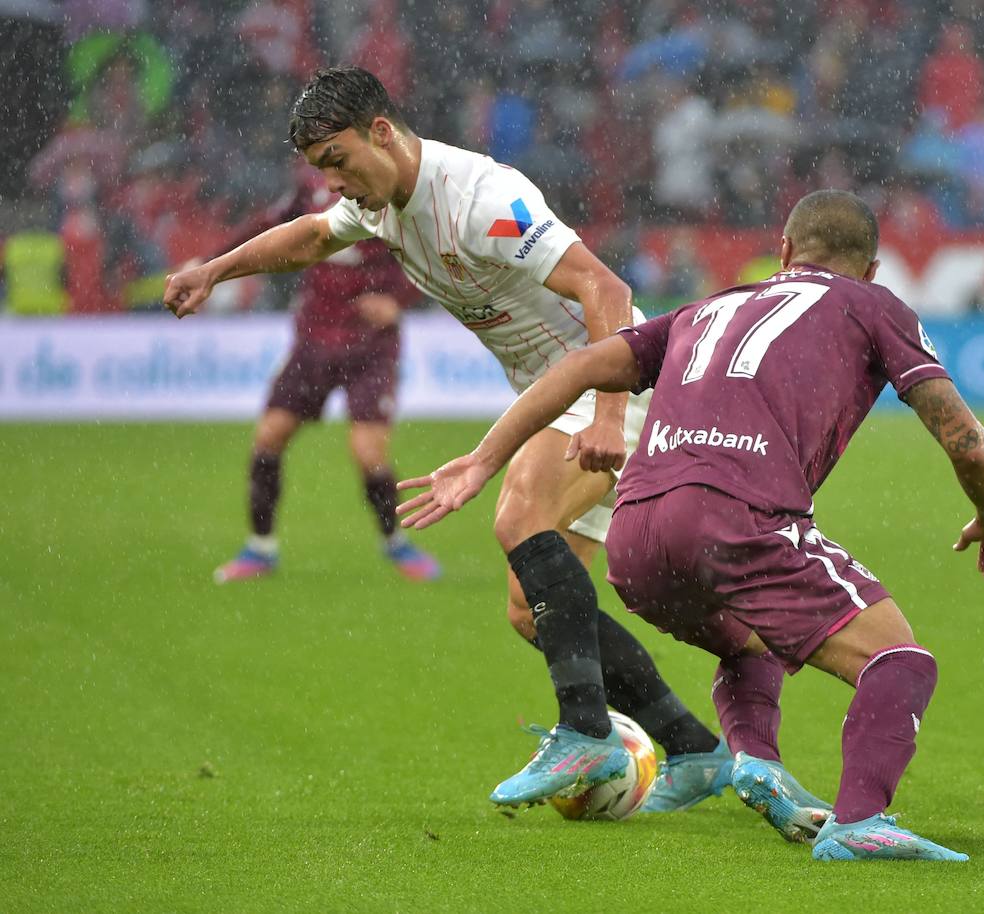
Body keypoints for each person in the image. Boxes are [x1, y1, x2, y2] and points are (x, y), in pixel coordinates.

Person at [162, 66, 737, 811]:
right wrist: (215, 269)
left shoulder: (481, 200)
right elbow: (310, 237)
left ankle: (588, 736)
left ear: (382, 132)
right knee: (534, 610)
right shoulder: (377, 204)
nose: (333, 183)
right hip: (555, 399)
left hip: (608, 386)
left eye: (337, 161)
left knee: (518, 516)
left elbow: (606, 291)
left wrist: (603, 410)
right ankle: (694, 749)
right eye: (319, 170)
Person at [395, 189, 984, 861]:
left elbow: (579, 363)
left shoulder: (708, 306)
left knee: (746, 644)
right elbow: (967, 441)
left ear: (782, 252)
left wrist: (484, 459)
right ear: (870, 270)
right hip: (737, 516)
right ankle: (859, 823)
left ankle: (754, 759)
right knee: (900, 663)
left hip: (637, 536)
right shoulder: (873, 304)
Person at [209, 161, 442, 584]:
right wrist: (212, 266)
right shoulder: (310, 183)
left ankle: (396, 543)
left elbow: (435, 248)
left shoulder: (390, 182)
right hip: (314, 338)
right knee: (268, 437)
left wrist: (400, 300)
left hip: (370, 343)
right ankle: (260, 550)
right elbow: (269, 226)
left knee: (369, 453)